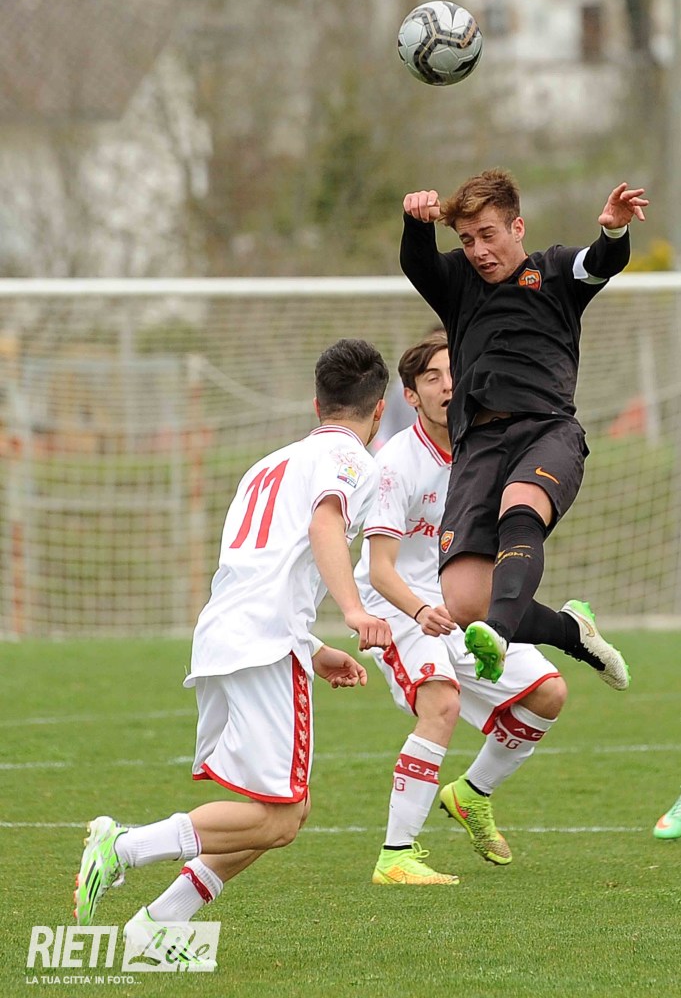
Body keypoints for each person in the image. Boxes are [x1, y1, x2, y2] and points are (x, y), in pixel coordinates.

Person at [73, 338, 392, 963]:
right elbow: (325, 523)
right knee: (280, 818)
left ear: (316, 403)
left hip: (227, 636)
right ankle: (123, 846)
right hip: (263, 646)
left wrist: (314, 647)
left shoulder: (267, 465)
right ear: (379, 410)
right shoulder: (353, 459)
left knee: (280, 813)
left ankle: (158, 925)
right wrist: (355, 611)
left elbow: (261, 569)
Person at [399, 169, 648, 687]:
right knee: (465, 600)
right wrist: (416, 222)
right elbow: (418, 263)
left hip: (546, 432)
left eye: (488, 235)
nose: (478, 250)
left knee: (521, 506)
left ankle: (498, 631)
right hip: (477, 446)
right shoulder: (458, 283)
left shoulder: (553, 271)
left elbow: (599, 262)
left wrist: (614, 230)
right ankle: (571, 631)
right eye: (467, 239)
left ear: (518, 227)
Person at [355, 331, 567, 884]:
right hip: (400, 607)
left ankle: (472, 793)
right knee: (441, 702)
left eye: (456, 373)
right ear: (411, 395)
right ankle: (395, 856)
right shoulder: (393, 464)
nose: (449, 387)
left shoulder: (491, 450)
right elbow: (380, 569)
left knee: (548, 693)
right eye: (433, 378)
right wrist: (419, 612)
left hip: (460, 605)